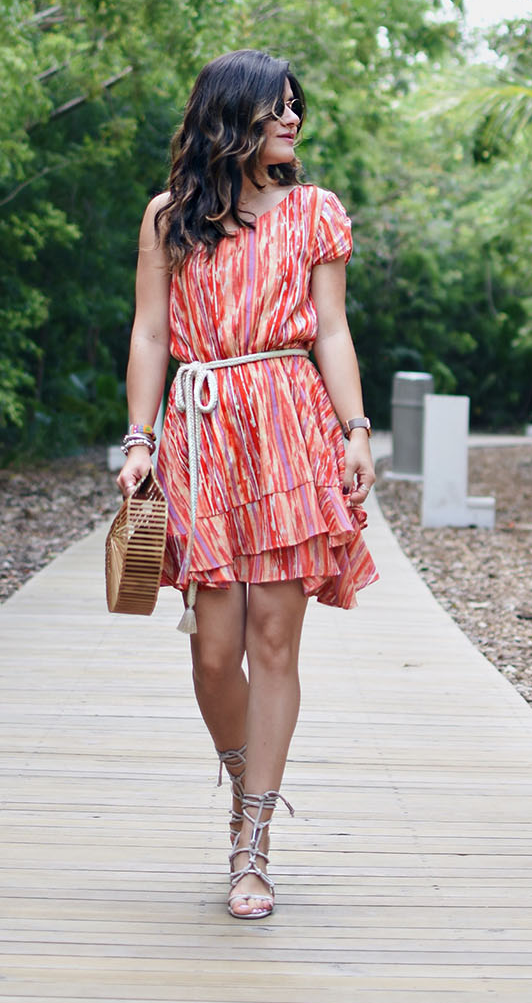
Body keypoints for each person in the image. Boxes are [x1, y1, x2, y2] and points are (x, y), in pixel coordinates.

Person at [118, 49, 378, 919]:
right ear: (232, 117)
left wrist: (354, 431)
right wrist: (140, 439)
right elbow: (152, 335)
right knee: (209, 649)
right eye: (276, 109)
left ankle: (253, 840)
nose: (293, 121)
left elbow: (332, 331)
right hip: (201, 431)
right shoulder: (170, 218)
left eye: (296, 108)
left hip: (286, 427)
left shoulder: (313, 213)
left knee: (273, 645)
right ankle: (244, 780)